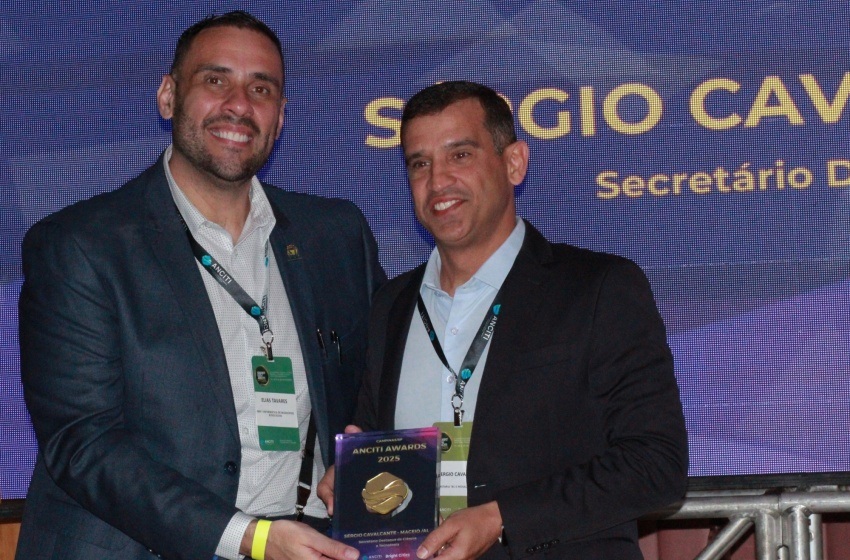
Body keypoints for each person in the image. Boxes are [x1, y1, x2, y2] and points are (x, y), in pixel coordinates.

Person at [17, 11, 384, 560]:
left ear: (281, 117)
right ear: (168, 96)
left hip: (308, 542)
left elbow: (376, 380)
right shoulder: (80, 246)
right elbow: (85, 443)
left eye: (261, 89)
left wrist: (358, 450)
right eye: (216, 80)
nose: (239, 105)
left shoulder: (335, 235)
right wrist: (250, 537)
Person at [319, 81, 688, 560]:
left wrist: (502, 518)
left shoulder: (598, 288)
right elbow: (380, 455)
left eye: (460, 156)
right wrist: (353, 477)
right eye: (420, 164)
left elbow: (656, 465)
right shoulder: (391, 306)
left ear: (514, 163)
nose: (438, 181)